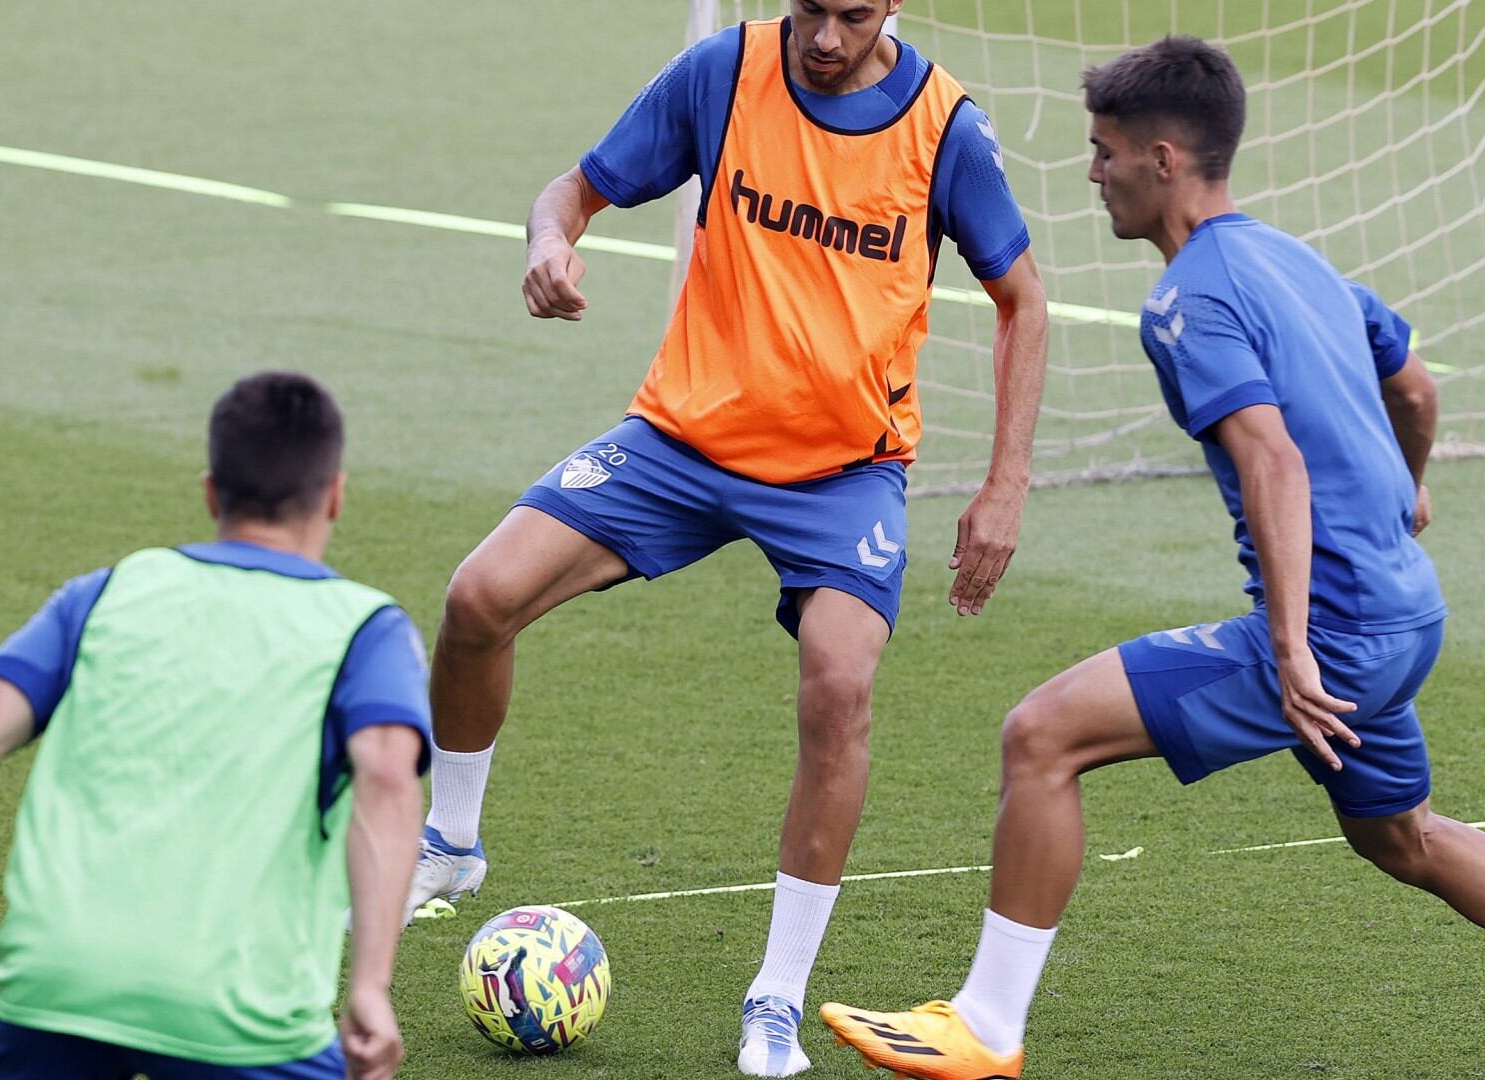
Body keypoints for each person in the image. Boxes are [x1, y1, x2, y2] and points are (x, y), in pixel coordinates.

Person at [821, 37, 1485, 1078]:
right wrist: (1409, 487)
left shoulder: (1188, 302)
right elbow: (1414, 388)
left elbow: (1272, 459)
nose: (1092, 172)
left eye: (1103, 152)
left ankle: (986, 1027)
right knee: (1400, 836)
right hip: (1408, 613)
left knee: (1041, 737)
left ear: (1162, 159)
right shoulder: (1297, 258)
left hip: (1331, 636)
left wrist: (1289, 647)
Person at [405, 1, 1048, 1074]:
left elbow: (1023, 299)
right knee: (479, 598)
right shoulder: (722, 71)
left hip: (843, 474)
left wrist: (1006, 484)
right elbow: (571, 190)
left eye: (851, 15)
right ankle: (452, 843)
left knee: (839, 686)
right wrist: (550, 242)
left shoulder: (946, 129)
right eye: (809, 10)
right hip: (681, 441)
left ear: (890, 6)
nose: (826, 37)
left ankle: (776, 998)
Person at [0, 372, 431, 1080]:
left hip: (58, 986)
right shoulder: (367, 630)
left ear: (211, 491)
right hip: (246, 1018)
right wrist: (369, 985)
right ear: (336, 494)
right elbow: (388, 776)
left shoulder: (105, 592)